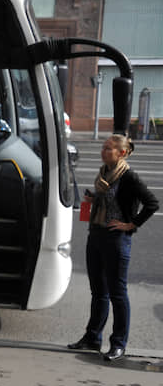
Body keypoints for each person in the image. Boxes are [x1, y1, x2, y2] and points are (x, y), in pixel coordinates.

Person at [68, 134, 158, 361]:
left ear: (122, 153)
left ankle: (118, 344)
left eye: (109, 148)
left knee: (118, 294)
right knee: (98, 292)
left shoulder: (128, 177)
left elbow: (152, 203)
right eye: (103, 147)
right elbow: (107, 199)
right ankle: (92, 338)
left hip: (116, 239)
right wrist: (93, 199)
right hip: (96, 235)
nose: (104, 151)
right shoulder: (103, 173)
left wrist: (131, 224)